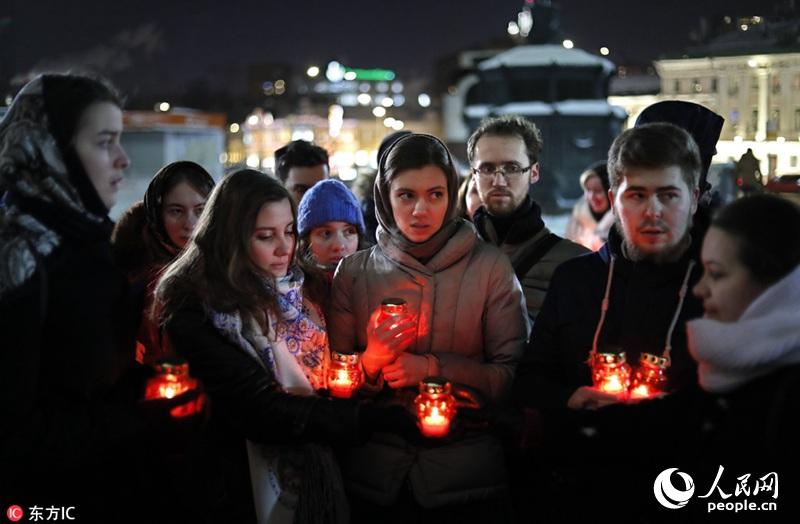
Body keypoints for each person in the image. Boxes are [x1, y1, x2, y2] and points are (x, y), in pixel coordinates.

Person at [0, 73, 204, 522]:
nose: (123, 161)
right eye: (104, 142)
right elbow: (17, 429)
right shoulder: (18, 257)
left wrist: (146, 386)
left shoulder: (84, 244)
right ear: (51, 149)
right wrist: (141, 418)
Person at [156, 169, 413, 524]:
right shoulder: (198, 307)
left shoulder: (306, 290)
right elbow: (259, 409)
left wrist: (371, 362)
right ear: (230, 237)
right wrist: (370, 419)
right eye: (265, 236)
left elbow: (329, 378)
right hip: (233, 482)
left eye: (289, 232)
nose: (284, 248)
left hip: (319, 462)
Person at [511, 122, 707, 521]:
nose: (653, 211)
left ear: (695, 198)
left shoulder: (717, 285)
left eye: (669, 195)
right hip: (580, 490)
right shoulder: (575, 280)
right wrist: (569, 398)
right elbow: (529, 379)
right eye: (636, 195)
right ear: (613, 201)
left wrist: (670, 412)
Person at [328, 133, 528, 523]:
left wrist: (434, 368)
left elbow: (512, 375)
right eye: (406, 196)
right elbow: (330, 383)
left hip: (468, 477)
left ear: (452, 194)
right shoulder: (353, 272)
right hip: (374, 478)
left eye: (435, 194)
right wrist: (371, 361)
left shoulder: (490, 268)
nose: (421, 210)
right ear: (385, 196)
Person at [689, 194, 800, 462]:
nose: (699, 289)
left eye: (716, 274)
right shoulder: (720, 371)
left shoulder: (790, 402)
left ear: (777, 287)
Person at [467, 115, 588, 321]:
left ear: (534, 172)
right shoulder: (454, 253)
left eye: (512, 168)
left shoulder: (573, 264)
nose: (499, 180)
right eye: (487, 169)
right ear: (474, 174)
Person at [112, 160, 215, 363]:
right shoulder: (134, 273)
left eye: (200, 210)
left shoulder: (227, 262)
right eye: (176, 211)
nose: (190, 224)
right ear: (157, 215)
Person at [297, 178, 366, 284]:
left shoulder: (377, 284)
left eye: (349, 231)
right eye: (326, 233)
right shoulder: (292, 292)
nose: (339, 246)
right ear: (306, 240)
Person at [565, 161, 613, 251]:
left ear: (611, 192)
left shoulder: (623, 223)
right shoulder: (578, 219)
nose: (591, 197)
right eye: (587, 190)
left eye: (598, 190)